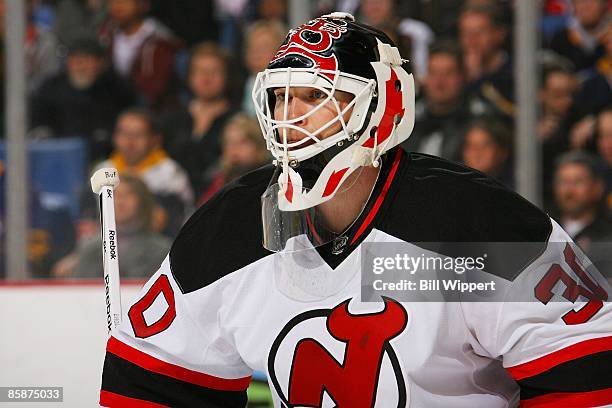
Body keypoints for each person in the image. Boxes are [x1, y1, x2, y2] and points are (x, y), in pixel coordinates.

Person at [99, 13, 612, 407]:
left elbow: (587, 375)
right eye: (279, 98)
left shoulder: (474, 220)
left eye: (313, 96)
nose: (287, 116)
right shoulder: (230, 226)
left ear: (381, 105)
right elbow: (151, 384)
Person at [29, 35, 138, 163]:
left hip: (108, 160)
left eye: (87, 59)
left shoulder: (118, 90)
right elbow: (37, 126)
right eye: (74, 59)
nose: (80, 65)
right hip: (58, 159)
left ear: (101, 63)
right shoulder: (50, 88)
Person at [95, 108, 194, 237]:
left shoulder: (170, 173)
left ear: (155, 139)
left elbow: (181, 216)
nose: (130, 142)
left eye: (138, 135)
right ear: (114, 137)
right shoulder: (103, 169)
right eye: (124, 134)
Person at [162, 42, 239, 196]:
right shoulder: (172, 119)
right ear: (189, 76)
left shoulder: (237, 119)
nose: (206, 78)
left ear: (227, 76)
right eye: (200, 71)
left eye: (214, 72)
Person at [65, 175, 171, 278]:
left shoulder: (161, 249)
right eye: (115, 194)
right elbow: (80, 289)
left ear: (142, 201)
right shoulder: (90, 246)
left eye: (128, 195)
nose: (120, 201)